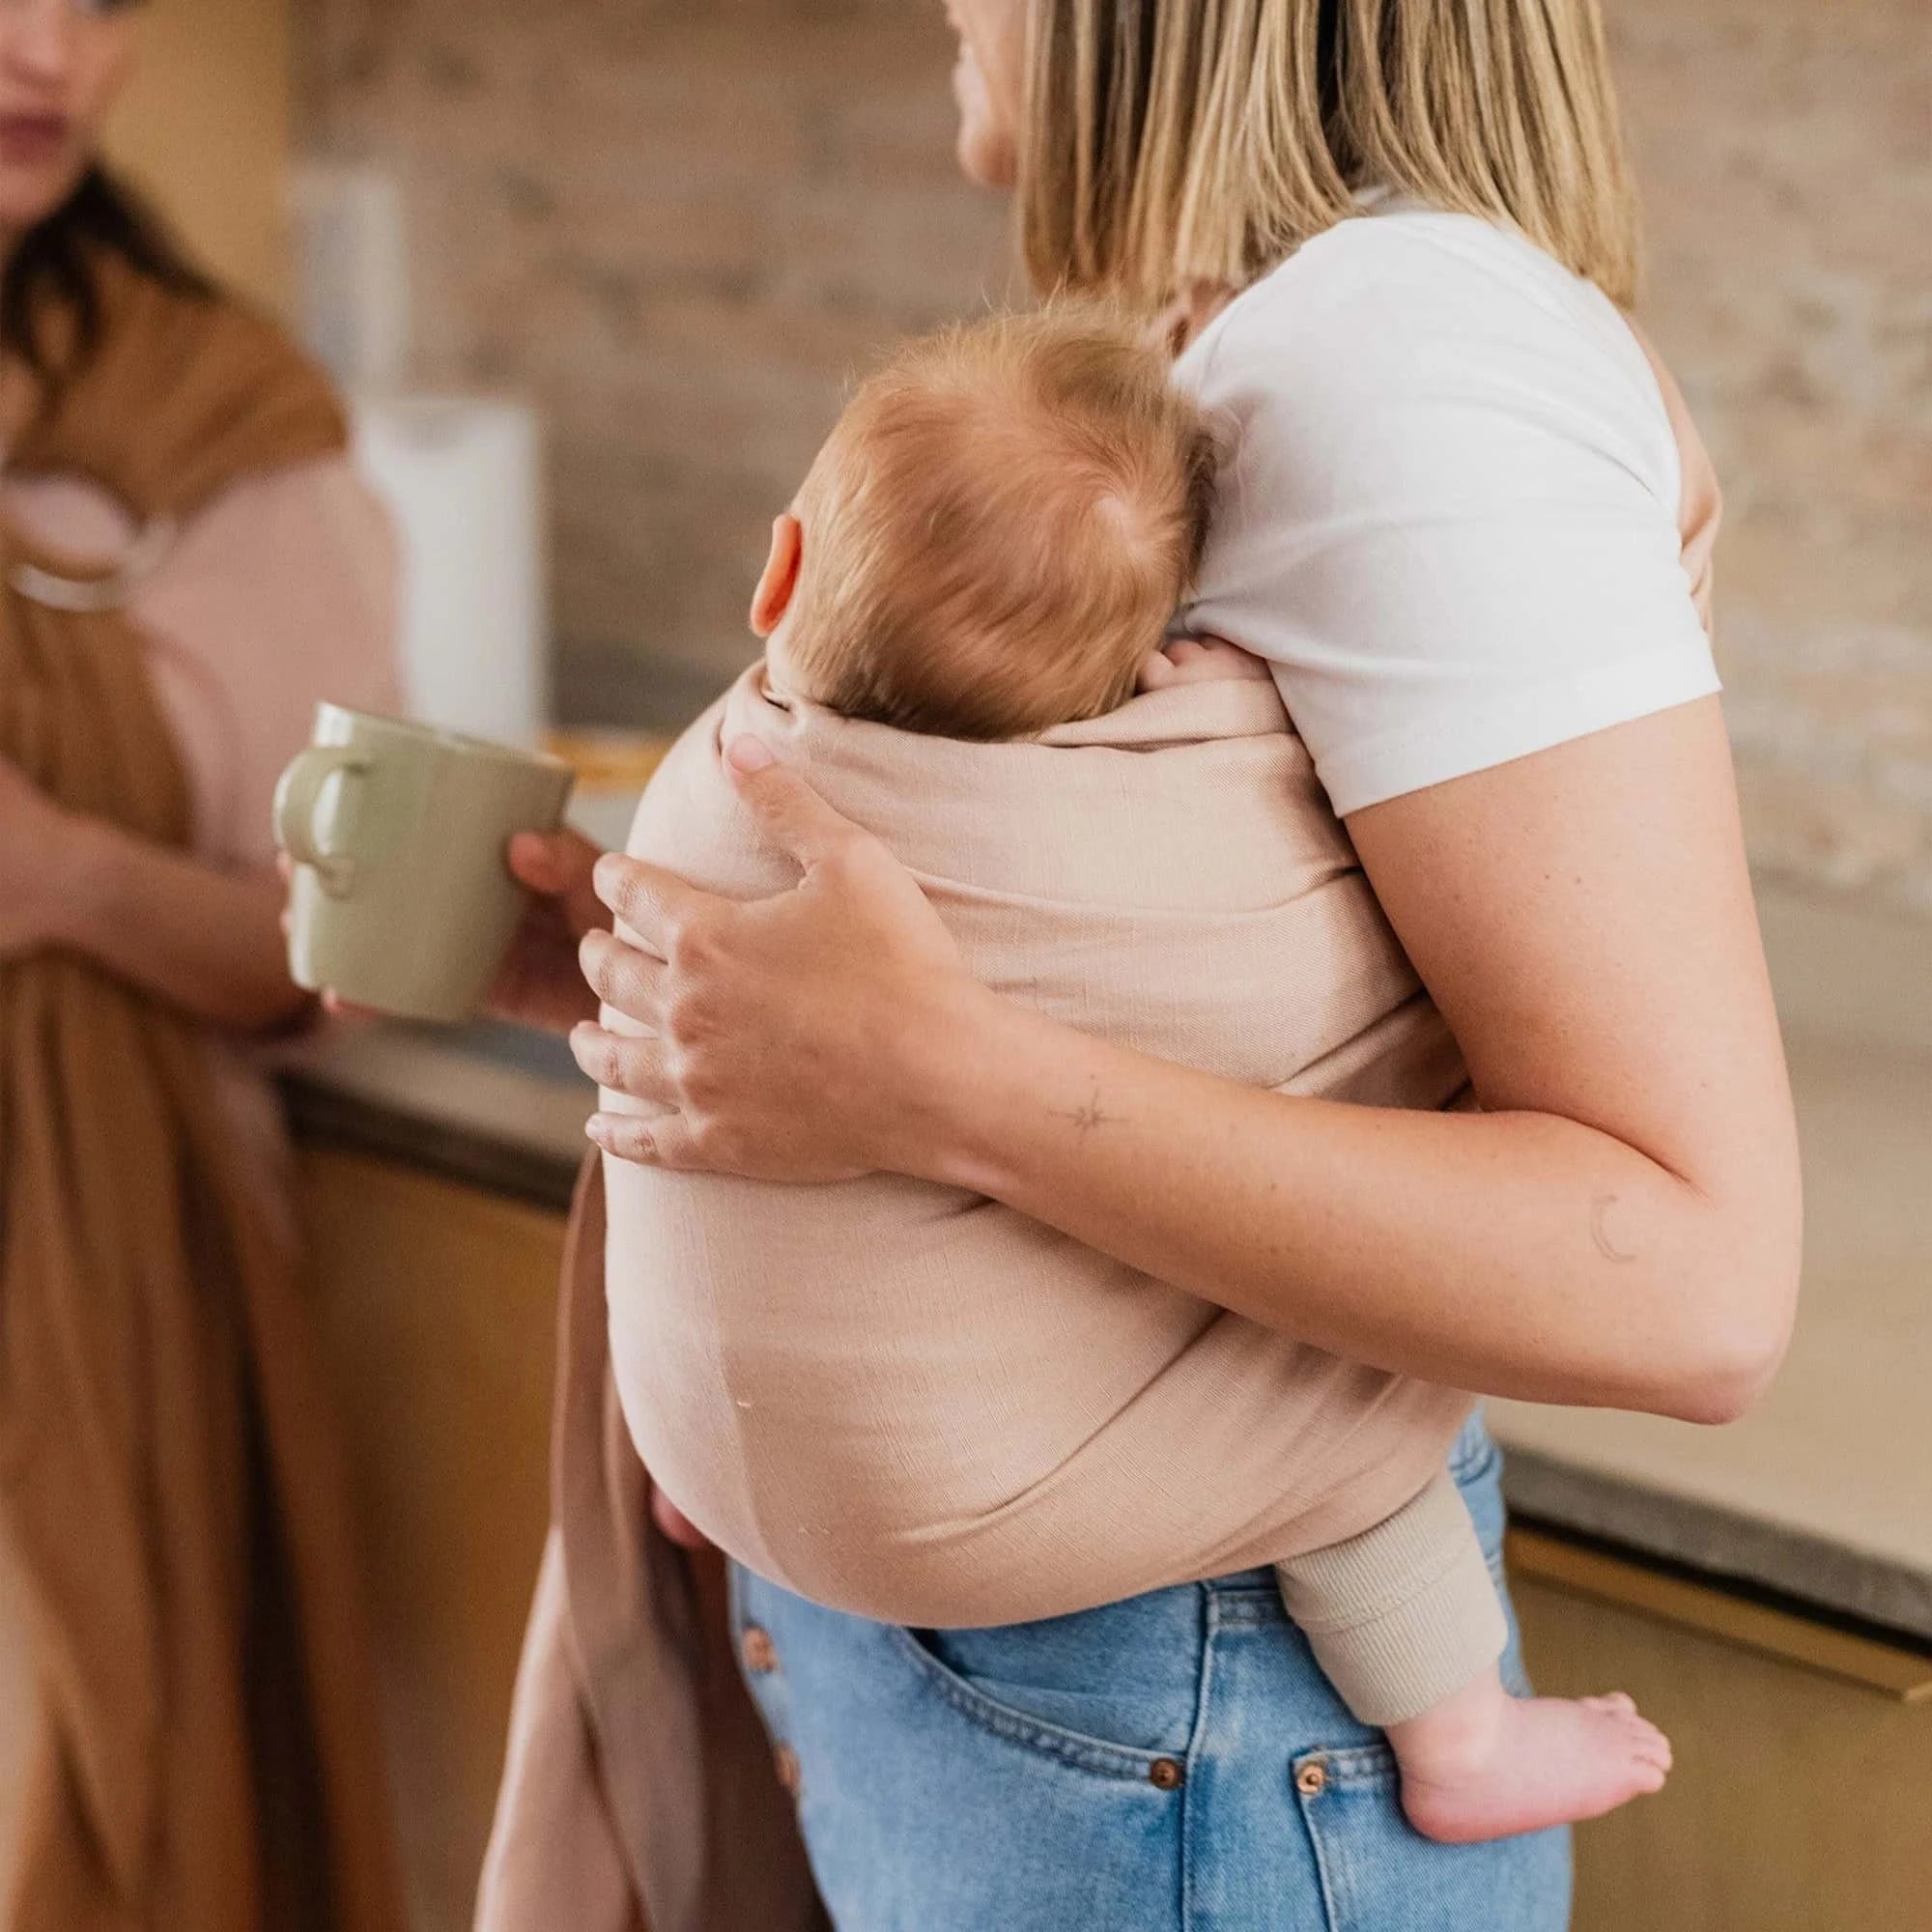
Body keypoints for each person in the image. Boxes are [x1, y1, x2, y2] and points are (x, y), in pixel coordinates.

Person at [485, 2, 1799, 1925]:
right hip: (1088, 1722)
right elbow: (1160, 955)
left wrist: (935, 1079)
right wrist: (695, 994)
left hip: (1193, 1751)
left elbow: (1692, 1279)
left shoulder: (1403, 367)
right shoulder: (1238, 355)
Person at [598, 301, 1668, 1846]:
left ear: (776, 573)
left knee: (768, 1218)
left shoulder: (712, 779)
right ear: (1157, 658)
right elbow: (1354, 991)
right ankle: (1461, 1732)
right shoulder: (1162, 840)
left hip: (711, 1455)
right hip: (954, 1523)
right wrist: (1244, 699)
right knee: (1357, 1355)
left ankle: (745, 1441)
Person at [0, 3, 407, 1927]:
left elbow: (350, 939)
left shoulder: (215, 420)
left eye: (101, 1)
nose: (48, 49)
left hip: (86, 1329)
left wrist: (63, 876)